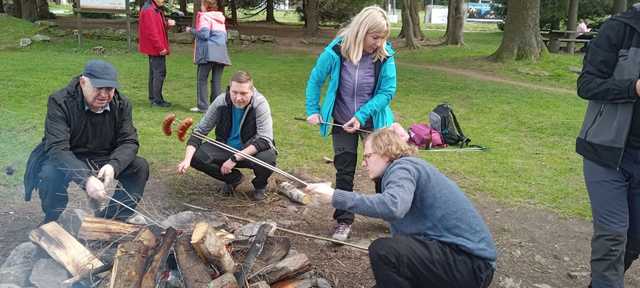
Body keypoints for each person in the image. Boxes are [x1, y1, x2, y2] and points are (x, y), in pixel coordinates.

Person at [305, 128, 496, 288]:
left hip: (471, 265)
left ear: (385, 153)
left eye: (368, 156)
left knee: (383, 251)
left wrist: (334, 196)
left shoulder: (403, 168)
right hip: (462, 263)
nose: (363, 163)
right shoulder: (405, 170)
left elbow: (393, 206)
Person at [305, 5, 397, 241]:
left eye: (383, 38)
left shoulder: (384, 54)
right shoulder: (336, 50)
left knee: (382, 170)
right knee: (344, 168)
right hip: (342, 120)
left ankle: (393, 216)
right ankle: (343, 221)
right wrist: (313, 110)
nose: (379, 43)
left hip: (372, 119)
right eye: (375, 37)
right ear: (361, 31)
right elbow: (316, 79)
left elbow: (387, 91)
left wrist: (362, 115)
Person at [23, 60, 148, 224]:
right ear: (83, 82)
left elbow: (129, 141)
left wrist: (113, 166)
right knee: (50, 175)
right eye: (98, 88)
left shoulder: (122, 104)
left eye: (109, 89)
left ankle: (112, 218)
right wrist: (86, 179)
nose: (104, 95)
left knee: (139, 167)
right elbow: (57, 148)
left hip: (103, 155)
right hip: (69, 154)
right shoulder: (60, 102)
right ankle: (53, 219)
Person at [576, 6, 640, 288]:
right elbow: (586, 85)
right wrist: (633, 88)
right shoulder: (619, 28)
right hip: (606, 152)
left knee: (635, 237)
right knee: (612, 236)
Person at [177, 71, 276, 201]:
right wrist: (187, 160)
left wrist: (235, 158)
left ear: (251, 91)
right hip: (225, 148)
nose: (238, 98)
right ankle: (233, 179)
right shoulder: (220, 102)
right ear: (230, 89)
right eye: (234, 92)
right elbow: (199, 132)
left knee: (267, 158)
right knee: (195, 156)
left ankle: (260, 186)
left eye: (243, 93)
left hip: (250, 151)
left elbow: (265, 140)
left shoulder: (260, 103)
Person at [187, 0, 231, 113]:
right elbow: (225, 38)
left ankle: (203, 106)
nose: (200, 6)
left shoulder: (205, 17)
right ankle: (216, 106)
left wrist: (191, 30)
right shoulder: (220, 18)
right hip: (221, 53)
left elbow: (204, 35)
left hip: (208, 53)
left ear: (206, 6)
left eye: (201, 4)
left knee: (202, 79)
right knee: (216, 80)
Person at [138, 0, 175, 107]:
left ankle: (154, 98)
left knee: (154, 73)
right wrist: (160, 48)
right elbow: (152, 32)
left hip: (154, 47)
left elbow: (158, 27)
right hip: (155, 48)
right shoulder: (150, 10)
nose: (164, 0)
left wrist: (167, 24)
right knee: (159, 72)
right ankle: (157, 100)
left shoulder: (154, 8)